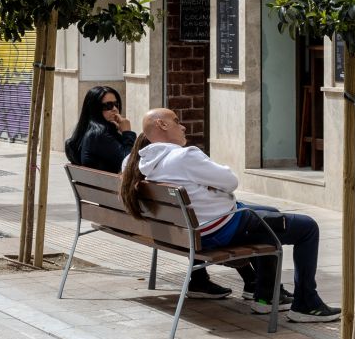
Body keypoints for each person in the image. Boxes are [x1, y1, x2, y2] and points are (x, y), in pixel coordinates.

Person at [120, 108, 339, 322]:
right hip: (220, 230)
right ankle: (305, 303)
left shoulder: (139, 162)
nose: (183, 127)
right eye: (177, 121)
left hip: (192, 232)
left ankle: (267, 296)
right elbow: (230, 181)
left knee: (271, 216)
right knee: (307, 227)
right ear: (163, 125)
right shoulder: (184, 157)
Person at [65, 88, 234, 301]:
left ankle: (203, 281)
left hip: (119, 213)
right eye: (107, 106)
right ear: (94, 109)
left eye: (116, 104)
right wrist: (127, 132)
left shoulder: (84, 134)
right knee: (199, 219)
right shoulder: (99, 134)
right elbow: (129, 161)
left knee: (181, 214)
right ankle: (241, 282)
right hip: (133, 217)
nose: (114, 109)